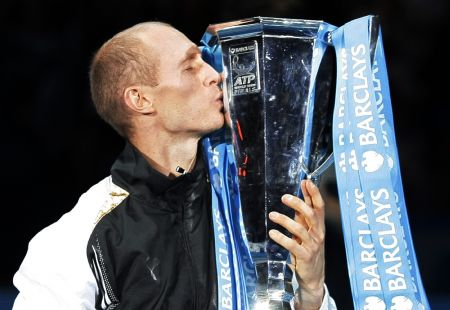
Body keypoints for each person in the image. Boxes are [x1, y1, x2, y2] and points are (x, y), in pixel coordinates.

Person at [12, 21, 337, 310]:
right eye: (190, 68)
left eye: (204, 61)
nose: (216, 75)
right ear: (140, 99)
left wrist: (311, 293)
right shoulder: (72, 243)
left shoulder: (252, 202)